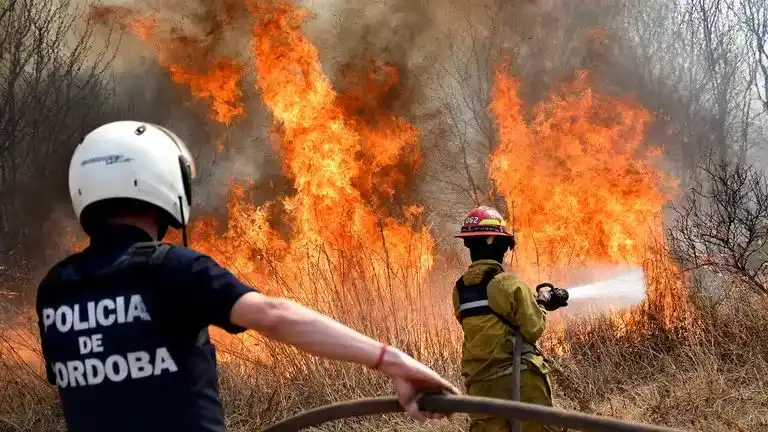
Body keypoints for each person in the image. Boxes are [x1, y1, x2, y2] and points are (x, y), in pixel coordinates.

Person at [35, 120, 459, 432]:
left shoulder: (55, 290)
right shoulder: (174, 270)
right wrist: (395, 362)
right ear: (164, 182)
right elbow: (275, 316)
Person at [452, 206, 568, 432]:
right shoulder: (508, 284)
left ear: (468, 244)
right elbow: (533, 328)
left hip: (480, 386)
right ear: (494, 242)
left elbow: (484, 323)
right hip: (519, 380)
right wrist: (542, 303)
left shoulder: (459, 289)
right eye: (505, 244)